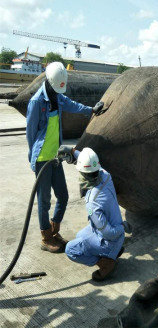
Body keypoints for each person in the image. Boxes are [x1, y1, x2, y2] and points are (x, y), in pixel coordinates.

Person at [26, 62, 104, 254]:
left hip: (55, 158)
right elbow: (30, 133)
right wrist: (33, 159)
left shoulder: (58, 97)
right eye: (54, 89)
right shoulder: (36, 102)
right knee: (44, 200)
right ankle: (46, 237)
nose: (56, 93)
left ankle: (54, 230)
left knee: (63, 196)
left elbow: (72, 105)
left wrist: (91, 110)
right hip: (43, 159)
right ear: (49, 82)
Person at [57, 146, 127, 281]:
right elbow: (92, 166)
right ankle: (113, 252)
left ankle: (107, 263)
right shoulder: (106, 177)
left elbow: (109, 233)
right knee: (80, 235)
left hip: (112, 238)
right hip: (116, 234)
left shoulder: (92, 203)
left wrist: (123, 227)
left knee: (71, 249)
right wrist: (73, 152)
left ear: (82, 173)